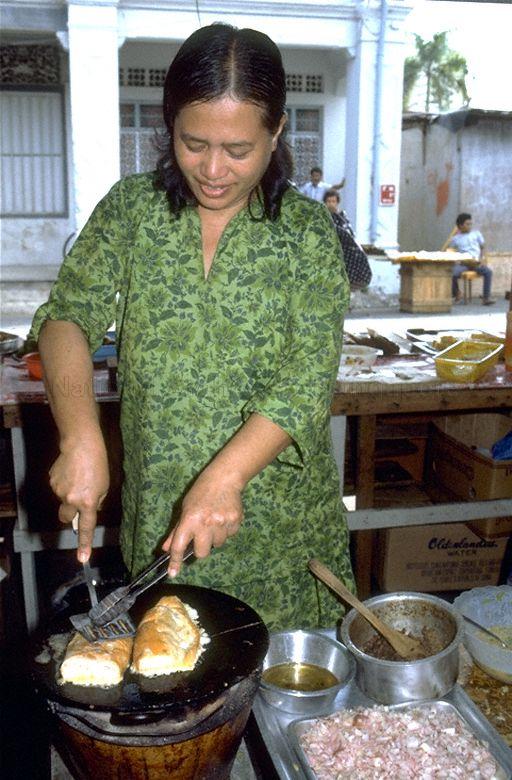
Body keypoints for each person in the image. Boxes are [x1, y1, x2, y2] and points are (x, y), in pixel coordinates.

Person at [29, 23, 354, 631]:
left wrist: (225, 476)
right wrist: (80, 436)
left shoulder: (307, 233)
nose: (213, 170)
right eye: (192, 142)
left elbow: (307, 380)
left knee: (279, 703)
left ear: (277, 130)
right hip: (160, 524)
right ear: (169, 121)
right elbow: (66, 318)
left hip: (276, 528)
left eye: (239, 150)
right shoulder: (133, 210)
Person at [323, 190, 372, 291]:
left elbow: (349, 234)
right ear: (324, 203)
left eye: (333, 201)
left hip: (346, 257)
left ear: (337, 203)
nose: (331, 204)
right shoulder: (322, 218)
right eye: (328, 201)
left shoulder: (342, 218)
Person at [449, 213, 495, 305]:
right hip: (463, 264)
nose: (470, 226)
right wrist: (455, 259)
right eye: (467, 224)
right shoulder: (455, 239)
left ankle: (486, 298)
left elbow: (483, 247)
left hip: (476, 263)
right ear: (460, 226)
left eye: (470, 224)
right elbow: (451, 251)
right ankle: (457, 293)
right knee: (450, 273)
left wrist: (483, 259)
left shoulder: (476, 234)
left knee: (488, 272)